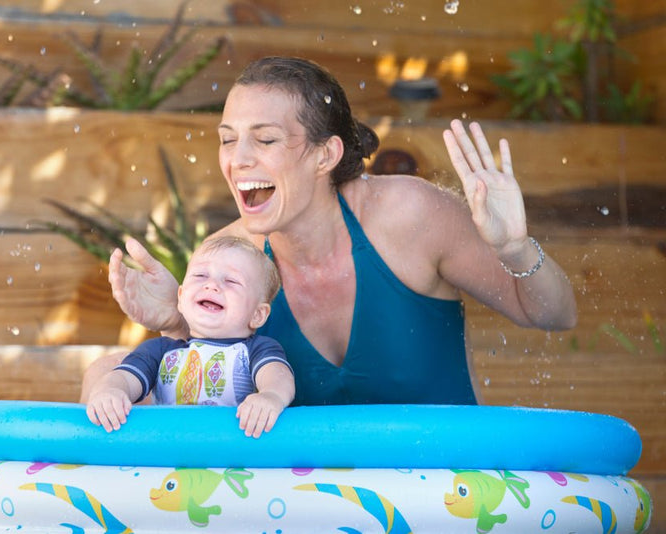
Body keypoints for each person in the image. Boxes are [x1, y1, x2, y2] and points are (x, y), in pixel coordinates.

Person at [82, 56, 577, 407]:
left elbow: (553, 314)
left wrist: (515, 248)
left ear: (327, 154)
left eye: (266, 139)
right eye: (228, 140)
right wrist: (177, 326)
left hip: (448, 499)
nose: (238, 160)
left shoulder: (409, 215)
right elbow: (194, 398)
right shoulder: (228, 258)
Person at [85, 235, 295, 438]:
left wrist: (271, 396)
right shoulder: (160, 351)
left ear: (258, 315)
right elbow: (124, 377)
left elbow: (278, 376)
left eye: (231, 281)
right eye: (200, 276)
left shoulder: (257, 349)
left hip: (229, 453)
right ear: (181, 297)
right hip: (169, 452)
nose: (211, 285)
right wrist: (110, 391)